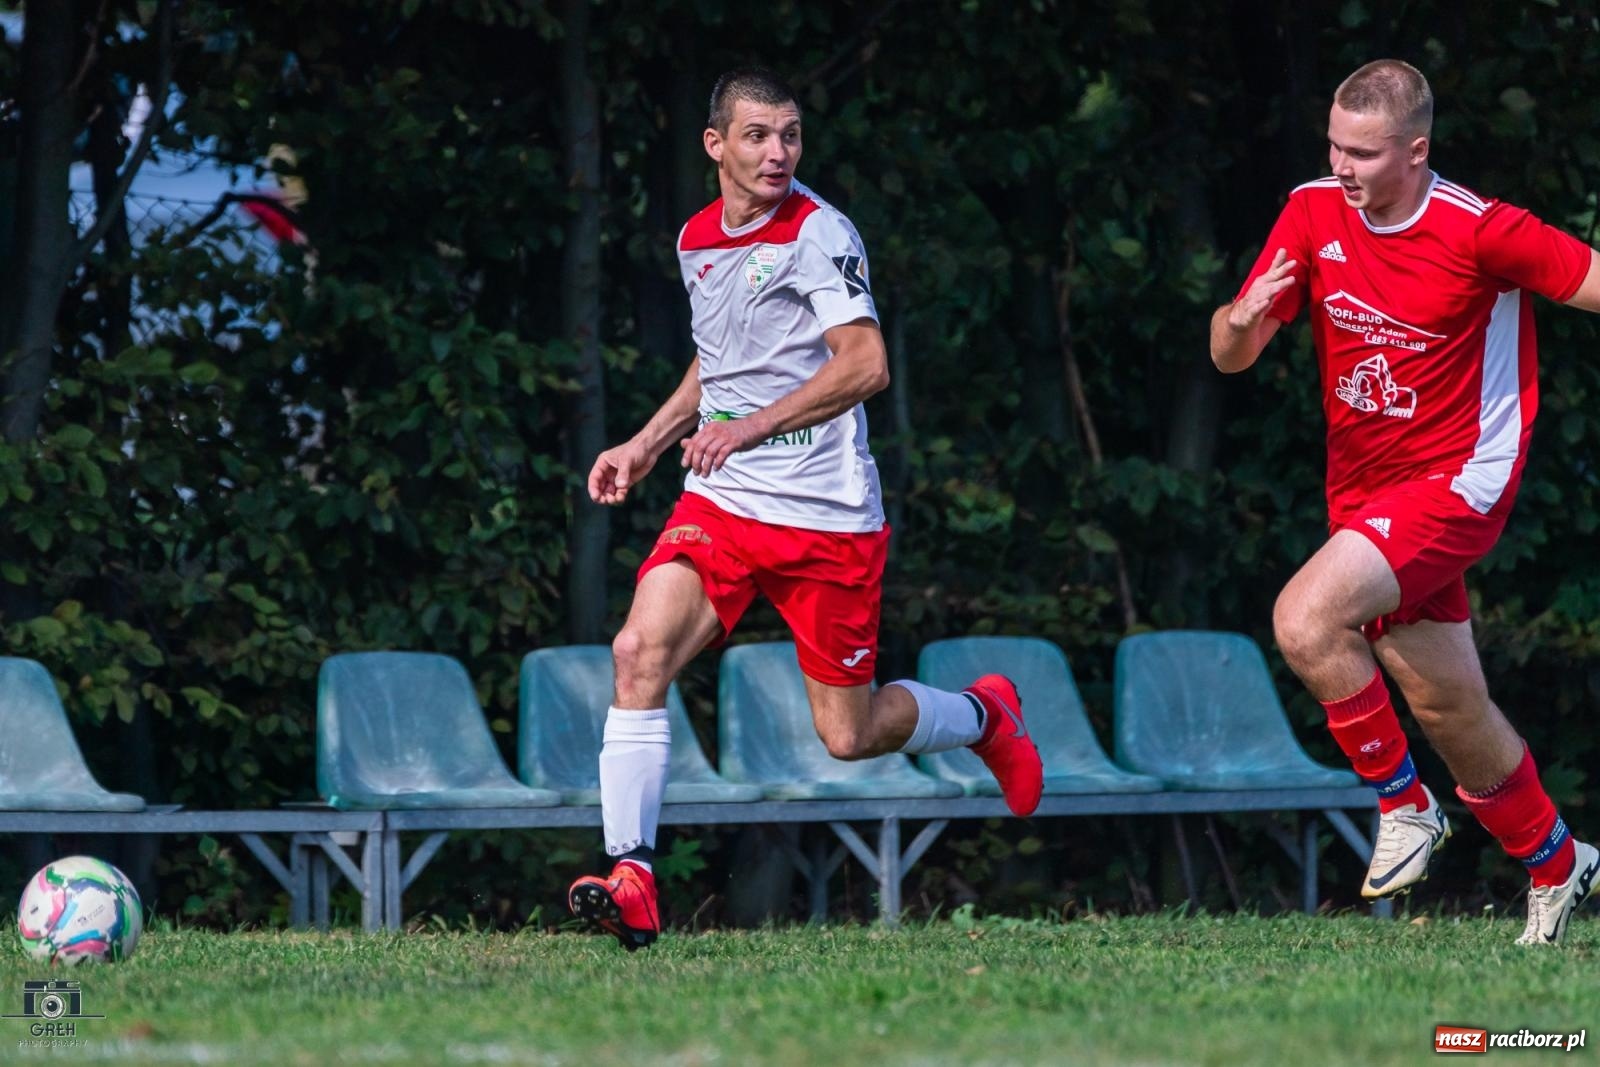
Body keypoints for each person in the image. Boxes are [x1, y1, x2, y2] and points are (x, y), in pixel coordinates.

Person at [566, 67, 1044, 951]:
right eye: (757, 135)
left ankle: (984, 715)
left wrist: (748, 427)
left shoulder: (819, 232)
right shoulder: (697, 238)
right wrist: (647, 442)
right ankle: (632, 874)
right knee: (637, 651)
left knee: (848, 734)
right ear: (715, 145)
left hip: (825, 515)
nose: (777, 152)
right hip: (724, 503)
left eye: (789, 135)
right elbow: (721, 358)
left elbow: (865, 364)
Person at [1211, 59, 1600, 944]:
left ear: (1416, 150)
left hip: (1461, 480)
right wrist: (1239, 318)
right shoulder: (1312, 211)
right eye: (1334, 146)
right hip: (1364, 493)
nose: (1340, 166)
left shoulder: (1482, 230)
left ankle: (1404, 802)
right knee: (1446, 704)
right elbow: (1229, 355)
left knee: (1305, 618)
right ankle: (1557, 860)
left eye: (1363, 152)